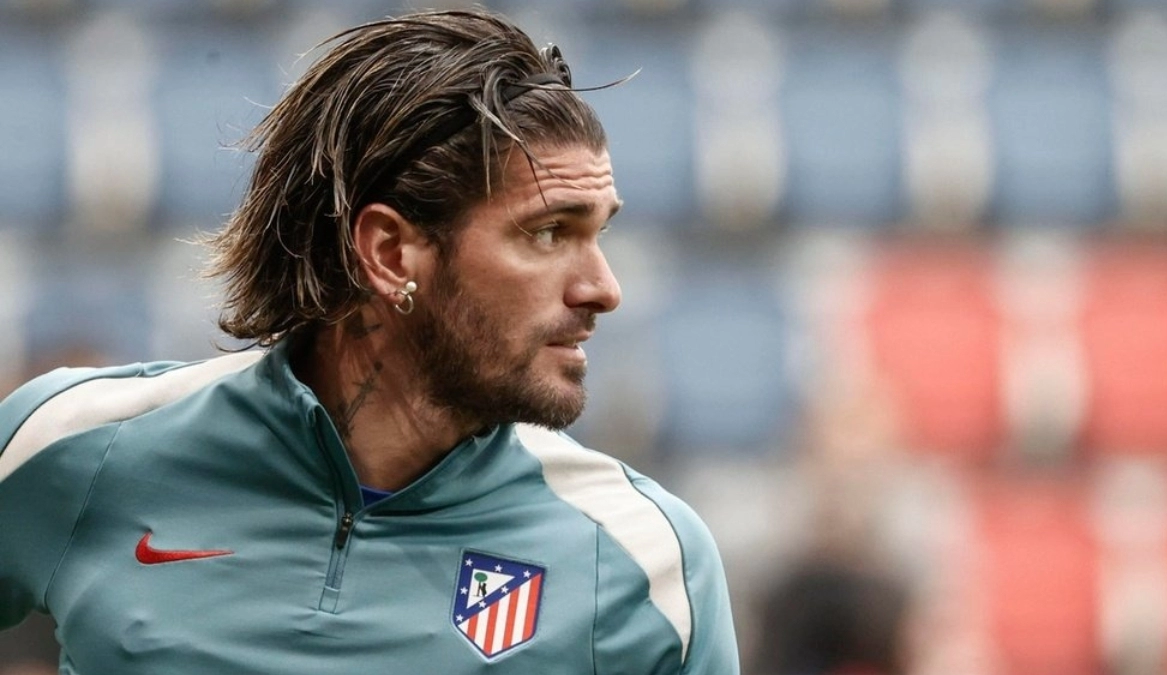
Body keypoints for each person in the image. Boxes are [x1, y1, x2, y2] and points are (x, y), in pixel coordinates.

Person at [0, 9, 738, 674]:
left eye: (597, 232)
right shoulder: (73, 447)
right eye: (548, 232)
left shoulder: (648, 564)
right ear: (389, 253)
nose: (604, 288)